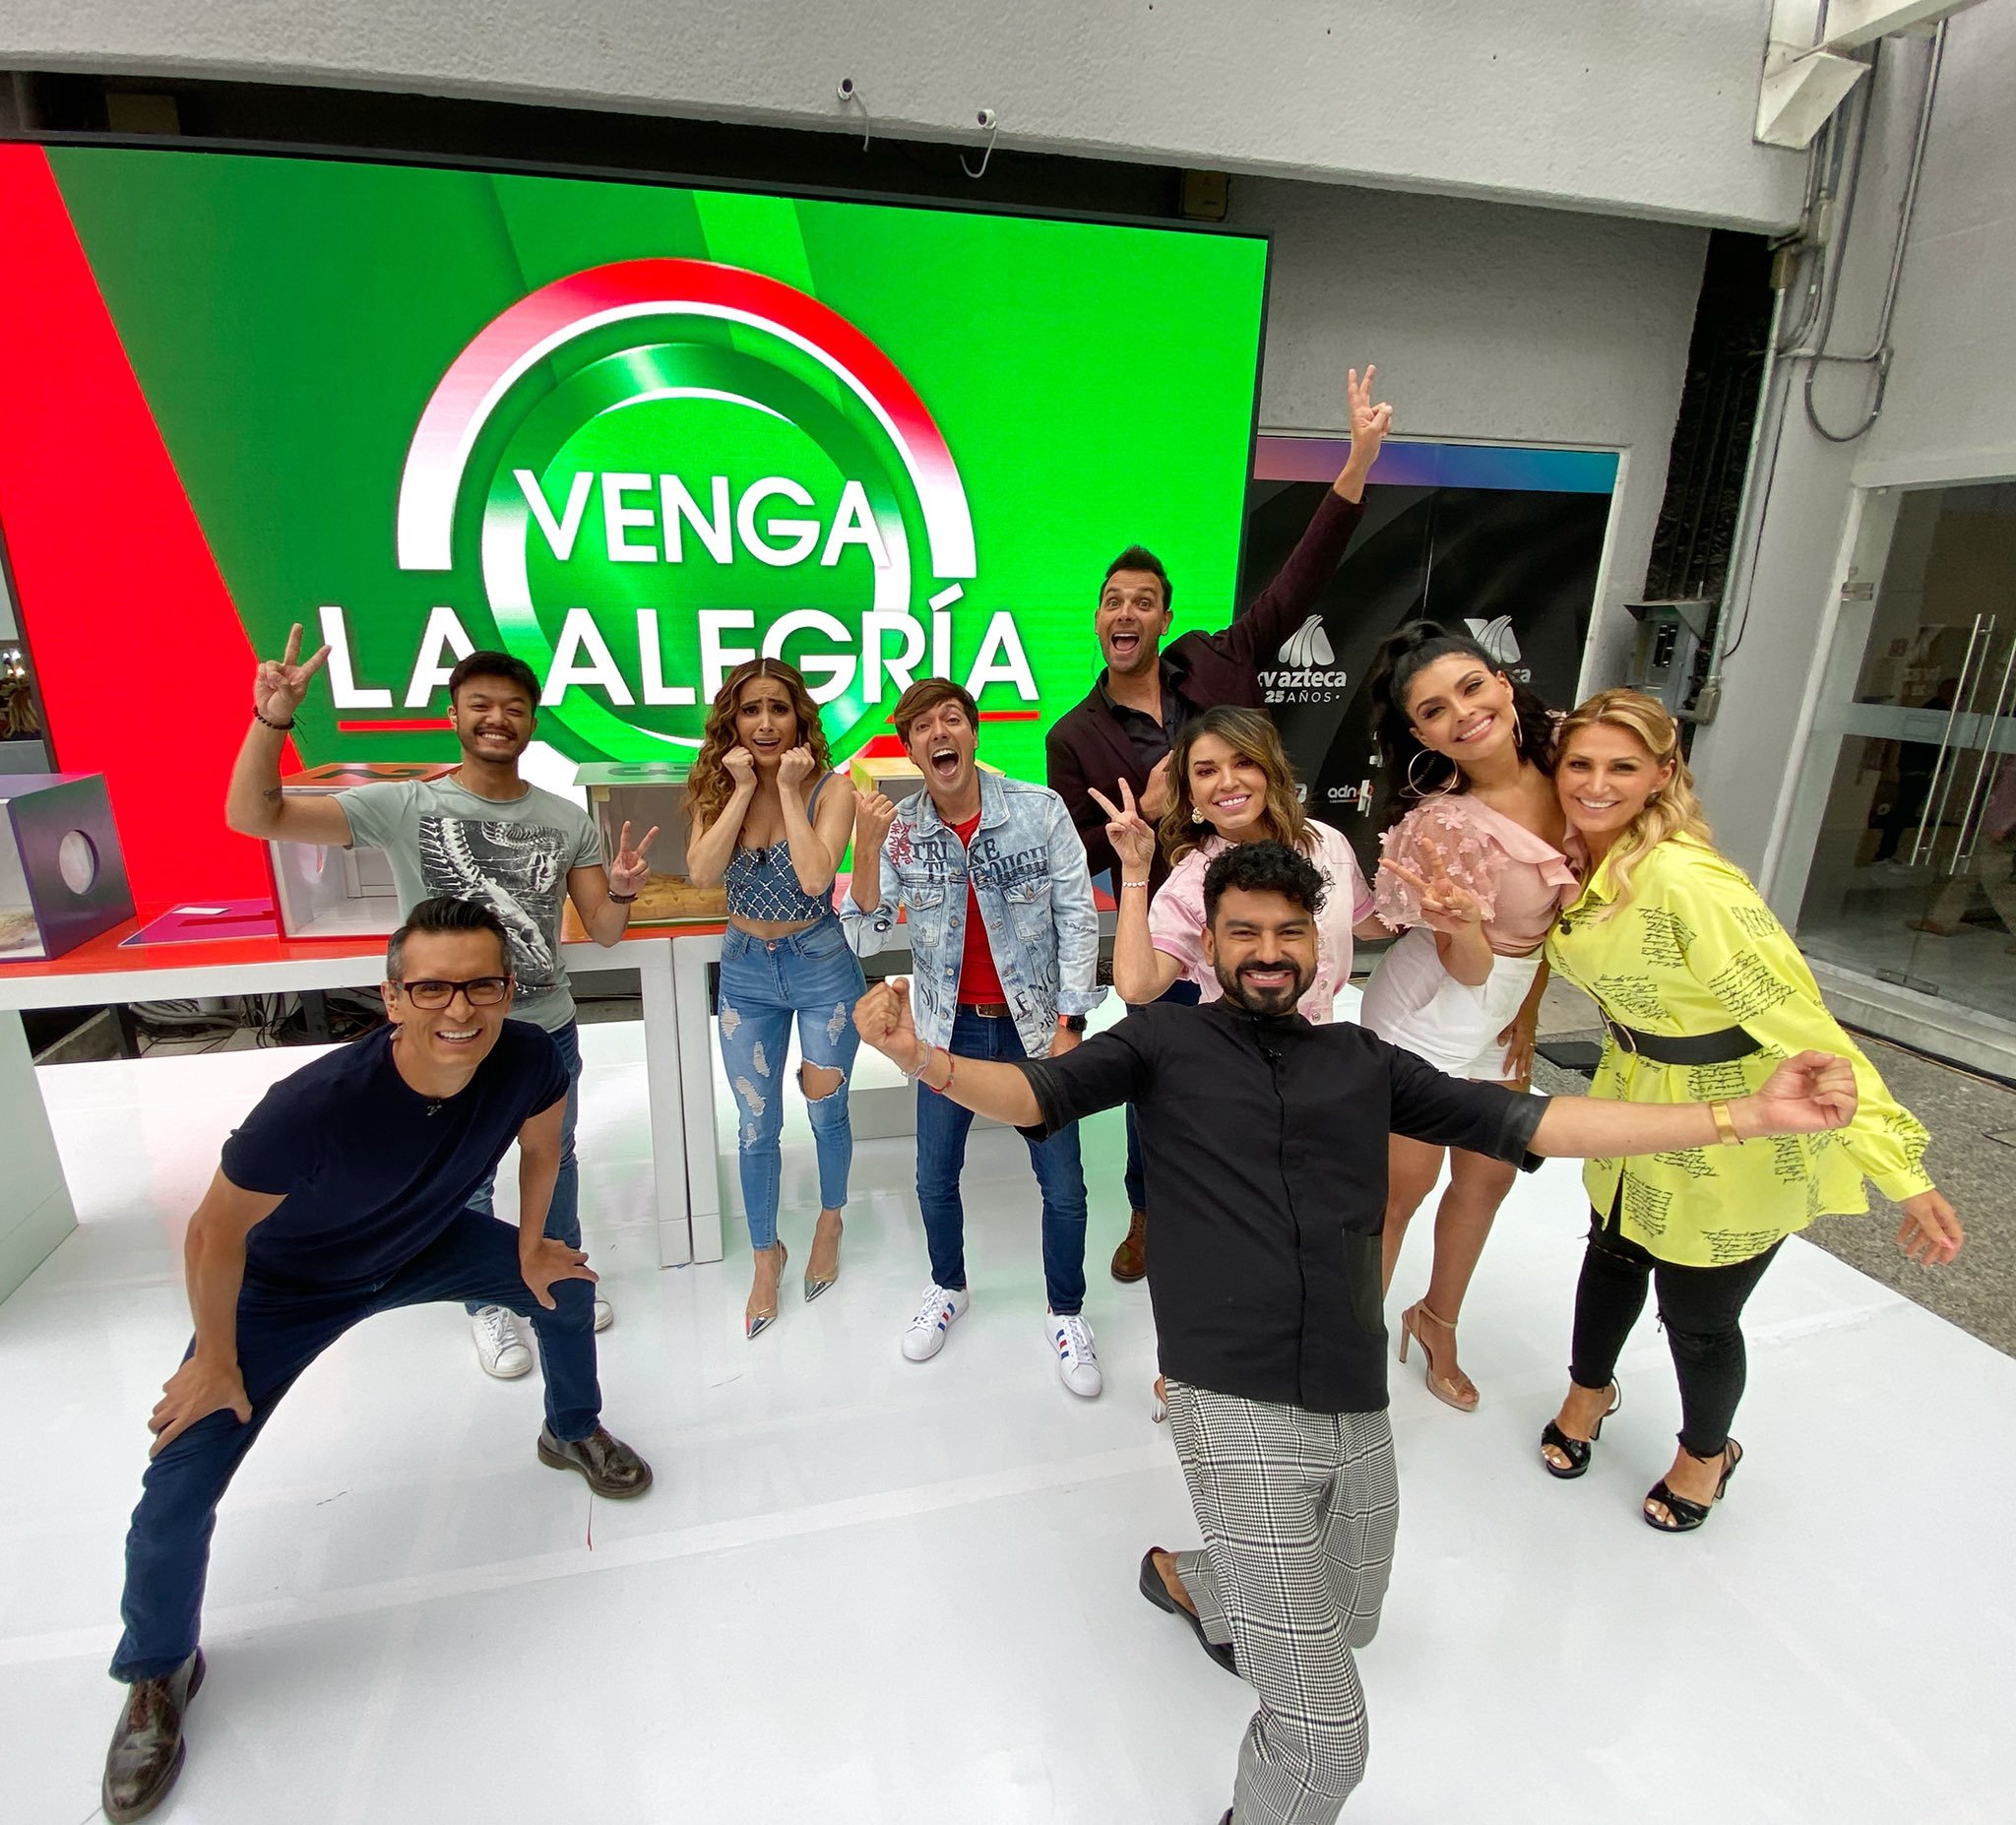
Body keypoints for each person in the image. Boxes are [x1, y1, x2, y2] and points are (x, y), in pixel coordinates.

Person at [851, 839, 1864, 1825]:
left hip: (1350, 1388)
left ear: (1319, 944)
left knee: (1354, 1618)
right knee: (1325, 1736)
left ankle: (1194, 1581)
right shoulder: (1160, 1043)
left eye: (1288, 932)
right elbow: (1034, 1093)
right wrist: (918, 1057)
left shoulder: (1363, 1061)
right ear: (1210, 945)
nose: (1267, 951)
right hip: (1228, 1396)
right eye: (1243, 932)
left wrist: (1746, 1116)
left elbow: (1538, 1123)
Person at [97, 898, 652, 1824]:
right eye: (432, 988)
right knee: (178, 1487)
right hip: (287, 1289)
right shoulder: (312, 1107)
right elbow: (211, 1232)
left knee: (565, 1286)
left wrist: (528, 1249)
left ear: (508, 990)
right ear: (392, 998)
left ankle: (570, 1429)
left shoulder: (530, 1058)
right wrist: (216, 1358)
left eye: (481, 986)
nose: (459, 1009)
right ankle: (158, 1669)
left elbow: (543, 1148)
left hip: (425, 1242)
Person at [1540, 689, 1965, 1531]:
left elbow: (1808, 1029)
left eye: (1622, 767)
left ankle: (1707, 1452)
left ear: (1663, 775)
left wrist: (1902, 1174)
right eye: (1579, 764)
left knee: (1699, 1315)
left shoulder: (1687, 882)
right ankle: (1589, 1392)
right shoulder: (1584, 860)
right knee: (1613, 1255)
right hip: (1632, 1095)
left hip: (1735, 1117)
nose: (1595, 784)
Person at [224, 635, 657, 1377]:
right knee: (466, 1174)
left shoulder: (566, 820)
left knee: (555, 1157)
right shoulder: (405, 804)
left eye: (514, 708)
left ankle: (556, 1267)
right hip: (448, 1036)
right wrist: (272, 720)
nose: (498, 719)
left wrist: (619, 890)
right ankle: (485, 1298)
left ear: (532, 722)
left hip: (545, 1030)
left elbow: (606, 931)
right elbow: (255, 815)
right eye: (480, 705)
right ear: (454, 716)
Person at [1046, 365, 1393, 1283]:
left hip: (1264, 916)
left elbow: (1299, 581)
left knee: (1280, 1082)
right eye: (1113, 600)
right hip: (1168, 931)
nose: (1127, 611)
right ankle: (1149, 1213)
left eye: (1143, 599)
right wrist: (1154, 818)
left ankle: (1267, 1222)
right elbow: (1075, 852)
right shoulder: (1073, 736)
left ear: (1164, 617)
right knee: (1160, 1082)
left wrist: (1355, 466)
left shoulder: (1218, 663)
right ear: (1098, 620)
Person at [844, 676, 1107, 1395]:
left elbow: (1077, 917)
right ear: (910, 749)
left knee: (1064, 1185)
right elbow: (865, 937)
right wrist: (865, 847)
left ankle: (1066, 1312)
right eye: (922, 727)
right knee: (934, 1176)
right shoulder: (900, 830)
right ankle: (948, 1287)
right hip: (945, 1031)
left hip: (1035, 1030)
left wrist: (1071, 1023)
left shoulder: (1039, 811)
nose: (939, 734)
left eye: (951, 719)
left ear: (972, 732)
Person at [1356, 621, 1577, 1411]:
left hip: (1508, 1008)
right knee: (1398, 1194)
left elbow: (1558, 932)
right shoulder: (1445, 824)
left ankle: (1437, 1321)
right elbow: (1468, 965)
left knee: (1488, 1177)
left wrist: (1528, 1014)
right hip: (1433, 1009)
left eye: (1472, 687)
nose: (1464, 714)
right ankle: (1349, 1357)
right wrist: (1467, 929)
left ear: (1504, 683)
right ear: (1421, 736)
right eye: (1434, 710)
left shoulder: (1576, 768)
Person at [683, 657, 863, 1338]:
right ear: (731, 720)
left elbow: (816, 879)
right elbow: (703, 873)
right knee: (755, 1123)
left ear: (799, 719)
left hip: (820, 967)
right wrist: (739, 791)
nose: (764, 723)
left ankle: (829, 1221)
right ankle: (766, 1256)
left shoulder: (832, 789)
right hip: (745, 972)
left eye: (778, 709)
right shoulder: (713, 785)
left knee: (826, 1109)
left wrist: (787, 788)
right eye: (751, 709)